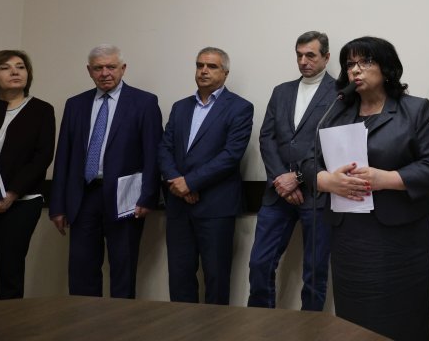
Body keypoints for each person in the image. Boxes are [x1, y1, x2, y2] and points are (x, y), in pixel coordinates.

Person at [309, 36, 429, 340]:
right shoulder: (336, 112)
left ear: (386, 68)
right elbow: (308, 160)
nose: (356, 70)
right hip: (349, 237)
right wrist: (325, 180)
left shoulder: (413, 109)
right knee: (353, 322)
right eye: (350, 64)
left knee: (402, 319)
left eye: (366, 62)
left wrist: (387, 178)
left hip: (400, 239)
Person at [49, 44, 163, 298]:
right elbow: (63, 156)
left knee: (123, 269)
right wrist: (57, 205)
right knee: (81, 270)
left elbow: (153, 154)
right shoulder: (75, 104)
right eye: (98, 68)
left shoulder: (144, 102)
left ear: (123, 68)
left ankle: (120, 321)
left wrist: (148, 197)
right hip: (83, 197)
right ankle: (83, 320)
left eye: (111, 67)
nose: (105, 73)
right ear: (89, 71)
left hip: (125, 198)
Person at [158, 46, 253, 305]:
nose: (203, 71)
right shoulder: (180, 107)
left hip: (215, 206)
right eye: (200, 65)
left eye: (211, 66)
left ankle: (216, 327)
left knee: (216, 278)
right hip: (179, 206)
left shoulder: (240, 108)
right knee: (179, 277)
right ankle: (182, 326)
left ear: (225, 73)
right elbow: (164, 149)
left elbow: (230, 155)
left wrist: (190, 182)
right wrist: (178, 182)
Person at [247, 31, 335, 310]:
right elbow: (267, 137)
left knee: (314, 273)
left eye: (310, 55)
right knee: (259, 263)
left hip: (317, 195)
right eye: (299, 55)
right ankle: (262, 324)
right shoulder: (281, 91)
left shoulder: (340, 93)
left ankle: (310, 329)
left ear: (326, 57)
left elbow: (335, 144)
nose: (303, 61)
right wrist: (280, 179)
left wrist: (297, 178)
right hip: (277, 194)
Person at [0, 50, 55, 300]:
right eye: (5, 67)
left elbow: (42, 157)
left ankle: (7, 322)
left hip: (22, 200)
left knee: (9, 269)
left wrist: (11, 193)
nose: (15, 72)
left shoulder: (41, 110)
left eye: (20, 67)